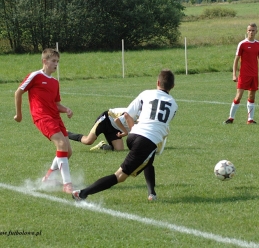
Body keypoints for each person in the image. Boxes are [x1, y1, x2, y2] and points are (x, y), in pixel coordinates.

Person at [71, 69, 178, 201]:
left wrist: (129, 131)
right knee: (120, 176)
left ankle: (152, 194)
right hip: (147, 140)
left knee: (148, 160)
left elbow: (127, 114)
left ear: (157, 82)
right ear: (172, 86)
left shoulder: (146, 94)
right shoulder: (174, 104)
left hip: (133, 136)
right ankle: (82, 193)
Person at [14, 48, 74, 193]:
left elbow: (56, 104)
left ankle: (48, 177)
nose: (56, 64)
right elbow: (18, 92)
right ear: (44, 61)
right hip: (41, 116)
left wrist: (66, 109)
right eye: (53, 61)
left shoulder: (55, 82)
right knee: (61, 144)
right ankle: (67, 184)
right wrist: (19, 114)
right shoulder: (35, 76)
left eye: (57, 61)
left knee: (68, 151)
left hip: (55, 117)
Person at [224, 23, 259, 124]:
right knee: (238, 96)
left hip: (254, 75)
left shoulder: (258, 44)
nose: (251, 32)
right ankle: (231, 118)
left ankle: (250, 119)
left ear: (256, 32)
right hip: (244, 75)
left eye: (253, 30)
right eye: (249, 30)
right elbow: (236, 60)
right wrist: (234, 74)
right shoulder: (242, 44)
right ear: (246, 31)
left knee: (252, 97)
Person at [68, 107, 140, 151]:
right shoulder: (135, 114)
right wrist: (125, 132)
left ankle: (102, 146)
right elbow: (117, 120)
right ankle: (66, 133)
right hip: (106, 119)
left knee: (119, 149)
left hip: (115, 127)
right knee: (88, 141)